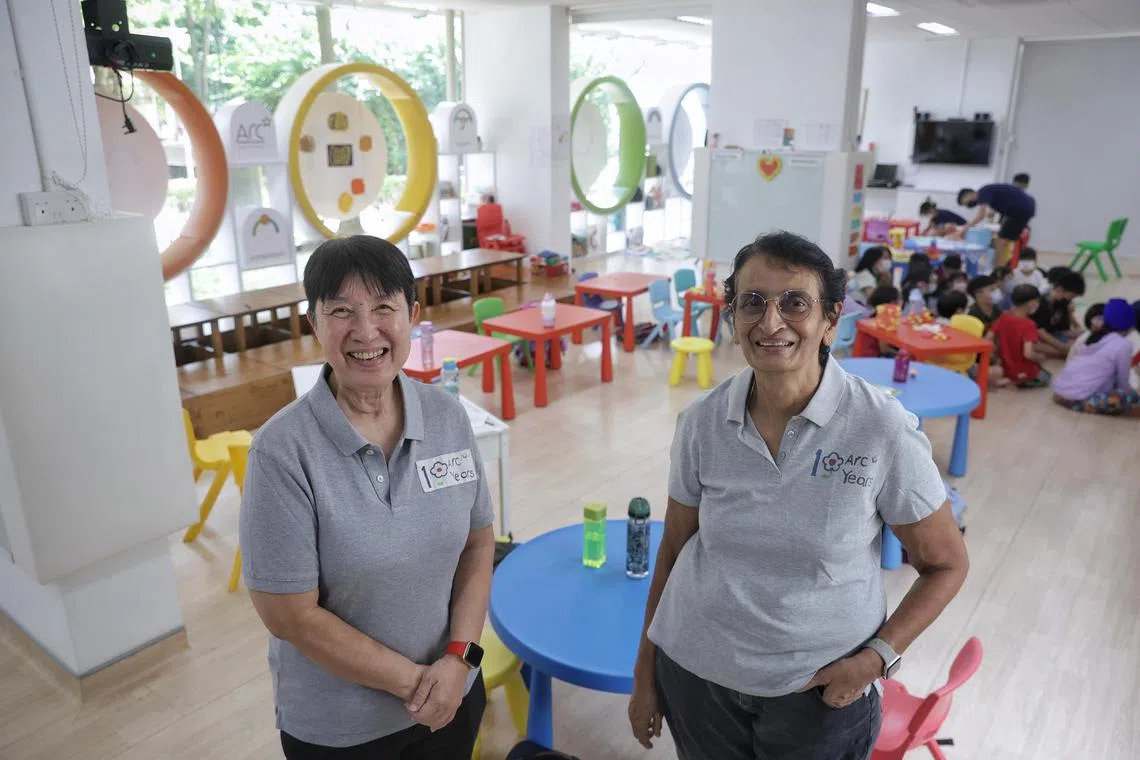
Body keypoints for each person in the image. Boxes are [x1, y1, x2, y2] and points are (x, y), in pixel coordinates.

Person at [628, 231, 969, 760]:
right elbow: (673, 550)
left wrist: (877, 658)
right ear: (732, 318)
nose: (770, 322)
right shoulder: (702, 423)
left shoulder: (879, 428)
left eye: (794, 302)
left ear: (831, 320)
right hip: (698, 680)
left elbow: (946, 563)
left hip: (817, 697)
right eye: (752, 303)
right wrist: (645, 672)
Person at [239, 236, 496, 758]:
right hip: (343, 731)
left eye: (383, 307)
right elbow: (290, 616)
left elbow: (477, 543)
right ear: (314, 323)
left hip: (453, 698)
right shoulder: (281, 452)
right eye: (342, 311)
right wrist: (418, 684)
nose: (365, 330)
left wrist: (459, 659)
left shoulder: (447, 418)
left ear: (412, 315)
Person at [1052, 298, 1140, 416]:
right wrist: (1135, 396)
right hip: (1077, 399)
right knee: (1127, 396)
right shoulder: (1123, 345)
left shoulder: (1094, 335)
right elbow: (1122, 383)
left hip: (1059, 392)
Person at [954, 184, 1036, 268]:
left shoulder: (982, 192)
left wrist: (963, 230)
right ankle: (1004, 264)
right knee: (1005, 237)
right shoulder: (988, 193)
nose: (968, 205)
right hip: (1025, 207)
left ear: (970, 194)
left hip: (1020, 209)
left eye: (966, 202)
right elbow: (992, 211)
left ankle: (999, 267)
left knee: (1001, 238)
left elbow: (980, 216)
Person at [991, 284, 1051, 388]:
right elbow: (1028, 354)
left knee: (1042, 371)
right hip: (1023, 371)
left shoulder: (1004, 316)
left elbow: (989, 337)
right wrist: (1040, 357)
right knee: (1048, 378)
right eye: (1037, 301)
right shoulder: (1029, 325)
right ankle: (1013, 382)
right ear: (1031, 303)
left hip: (1005, 367)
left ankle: (1009, 378)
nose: (1038, 304)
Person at [1031, 269, 1086, 359]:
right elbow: (1040, 332)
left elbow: (1065, 324)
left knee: (1084, 335)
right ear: (1060, 290)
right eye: (1072, 296)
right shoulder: (1041, 304)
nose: (1071, 299)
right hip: (1038, 338)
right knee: (1067, 353)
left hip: (1054, 333)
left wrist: (1080, 331)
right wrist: (1061, 346)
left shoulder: (1063, 301)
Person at [853, 285, 901, 358]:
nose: (900, 302)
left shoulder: (873, 316)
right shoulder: (883, 320)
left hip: (860, 354)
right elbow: (884, 349)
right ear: (892, 302)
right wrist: (899, 354)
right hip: (871, 358)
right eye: (898, 300)